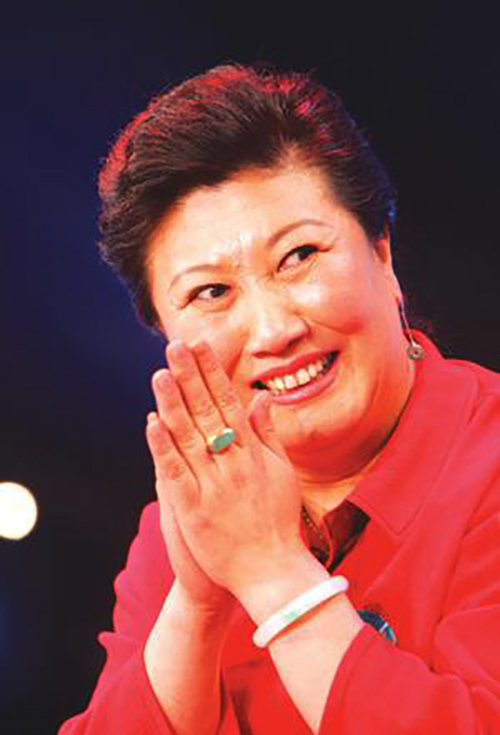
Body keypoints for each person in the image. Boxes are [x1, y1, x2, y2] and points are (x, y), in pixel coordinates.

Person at [58, 63, 500, 735]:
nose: (273, 331)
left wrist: (271, 571)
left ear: (383, 253)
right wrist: (195, 607)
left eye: (299, 256)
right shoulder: (184, 523)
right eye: (211, 292)